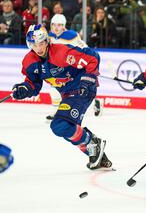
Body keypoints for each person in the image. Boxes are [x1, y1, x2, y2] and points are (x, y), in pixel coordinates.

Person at [11, 25, 112, 170]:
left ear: (47, 41)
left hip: (83, 90)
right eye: (34, 44)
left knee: (60, 125)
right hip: (67, 95)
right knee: (64, 128)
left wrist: (88, 78)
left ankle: (92, 143)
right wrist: (24, 89)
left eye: (41, 43)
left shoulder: (62, 53)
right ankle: (97, 153)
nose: (38, 48)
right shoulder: (29, 61)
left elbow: (92, 57)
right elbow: (33, 84)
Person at [48, 14, 103, 119]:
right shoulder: (49, 36)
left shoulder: (71, 36)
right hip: (58, 69)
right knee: (54, 89)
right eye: (53, 24)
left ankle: (95, 103)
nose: (56, 27)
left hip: (72, 69)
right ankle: (56, 111)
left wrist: (88, 66)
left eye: (59, 25)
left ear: (64, 26)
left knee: (78, 91)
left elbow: (85, 49)